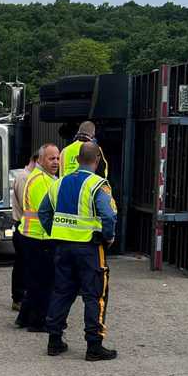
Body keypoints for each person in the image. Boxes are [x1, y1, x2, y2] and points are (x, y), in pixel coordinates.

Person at [39, 141, 118, 361]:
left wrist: (57, 232)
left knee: (62, 292)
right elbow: (109, 215)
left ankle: (54, 341)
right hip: (89, 249)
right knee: (95, 296)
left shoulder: (59, 183)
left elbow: (44, 212)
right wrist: (108, 237)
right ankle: (94, 345)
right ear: (97, 160)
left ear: (77, 160)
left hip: (63, 248)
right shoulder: (98, 184)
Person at [15, 143, 60, 332]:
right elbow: (47, 212)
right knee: (45, 283)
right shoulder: (41, 180)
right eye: (52, 158)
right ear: (40, 159)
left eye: (58, 158)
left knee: (34, 281)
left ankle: (24, 317)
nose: (56, 162)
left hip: (32, 235)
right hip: (39, 237)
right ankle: (38, 322)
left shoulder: (46, 178)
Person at [11, 153, 39, 311]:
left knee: (24, 264)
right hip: (23, 226)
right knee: (22, 264)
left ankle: (22, 297)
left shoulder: (29, 177)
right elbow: (26, 203)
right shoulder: (24, 178)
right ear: (35, 160)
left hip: (26, 226)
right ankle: (18, 298)